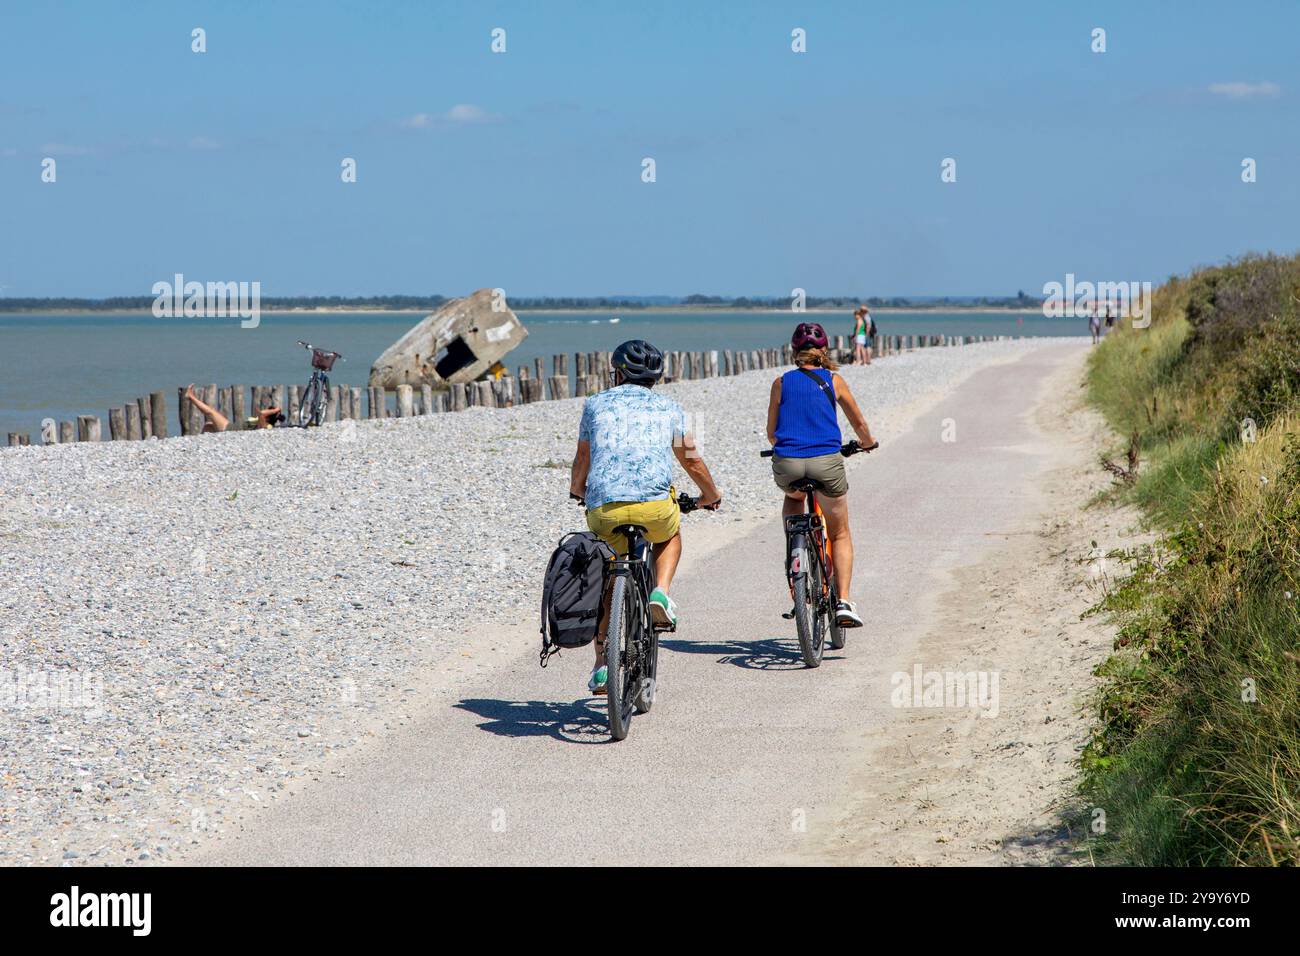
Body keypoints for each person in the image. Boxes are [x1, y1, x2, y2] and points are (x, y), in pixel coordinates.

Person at [568, 339, 722, 695]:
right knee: (669, 535)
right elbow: (692, 460)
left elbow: (582, 458)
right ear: (656, 377)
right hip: (653, 507)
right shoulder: (668, 407)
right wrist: (710, 496)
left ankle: (602, 665)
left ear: (618, 373)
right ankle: (660, 593)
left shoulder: (595, 404)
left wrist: (578, 491)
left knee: (609, 573)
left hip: (605, 509)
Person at [766, 322, 877, 628]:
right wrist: (866, 444)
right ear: (824, 351)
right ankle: (843, 601)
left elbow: (771, 433)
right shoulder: (834, 381)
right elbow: (859, 423)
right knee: (840, 532)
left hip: (788, 463)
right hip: (827, 463)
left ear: (793, 353)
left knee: (794, 495)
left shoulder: (780, 382)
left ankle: (795, 549)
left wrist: (789, 445)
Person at [185, 384, 282, 432]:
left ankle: (190, 396)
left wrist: (275, 410)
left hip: (228, 429)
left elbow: (261, 413)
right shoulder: (261, 421)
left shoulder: (265, 425)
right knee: (208, 426)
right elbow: (260, 413)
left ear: (268, 417)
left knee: (210, 412)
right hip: (229, 428)